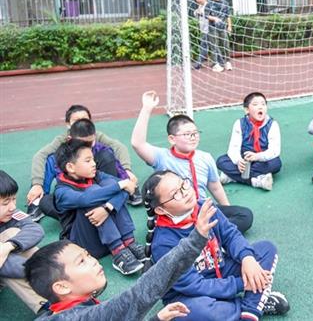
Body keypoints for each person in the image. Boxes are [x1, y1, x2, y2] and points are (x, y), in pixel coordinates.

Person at [24, 197, 221, 320]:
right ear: (62, 287)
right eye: (81, 261)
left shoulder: (76, 308)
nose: (93, 260)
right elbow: (139, 295)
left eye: (87, 255)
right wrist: (196, 239)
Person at [143, 170, 290, 320]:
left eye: (184, 184)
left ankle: (249, 311)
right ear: (160, 209)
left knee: (266, 249)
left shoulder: (204, 207)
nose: (185, 192)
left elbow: (230, 235)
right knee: (198, 311)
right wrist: (242, 284)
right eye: (176, 194)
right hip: (190, 295)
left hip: (221, 269)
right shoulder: (163, 244)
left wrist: (247, 258)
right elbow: (196, 286)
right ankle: (255, 302)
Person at [131, 90, 253, 233]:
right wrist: (146, 109)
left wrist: (226, 211)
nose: (193, 137)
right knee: (178, 230)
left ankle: (211, 233)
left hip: (201, 208)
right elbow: (137, 143)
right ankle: (209, 235)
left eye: (195, 133)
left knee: (245, 215)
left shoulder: (204, 157)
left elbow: (215, 187)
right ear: (172, 139)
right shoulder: (162, 157)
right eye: (187, 134)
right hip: (179, 212)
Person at [27, 104, 141, 222]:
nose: (81, 122)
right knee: (50, 161)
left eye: (85, 119)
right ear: (68, 125)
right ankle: (38, 197)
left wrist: (126, 171)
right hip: (75, 186)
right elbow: (40, 155)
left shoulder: (97, 141)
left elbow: (118, 147)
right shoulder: (63, 141)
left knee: (108, 157)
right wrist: (37, 184)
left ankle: (110, 197)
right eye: (76, 120)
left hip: (95, 184)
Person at [53, 139, 143, 275]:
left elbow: (128, 188)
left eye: (93, 159)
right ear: (70, 167)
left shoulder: (96, 175)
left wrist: (108, 207)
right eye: (88, 161)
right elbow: (86, 199)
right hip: (85, 244)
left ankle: (129, 242)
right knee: (93, 192)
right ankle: (118, 252)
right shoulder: (61, 191)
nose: (94, 164)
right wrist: (121, 185)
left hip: (106, 236)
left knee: (108, 184)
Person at [0, 170, 46, 314]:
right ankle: (50, 295)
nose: (13, 206)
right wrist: (42, 271)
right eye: (5, 202)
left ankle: (53, 299)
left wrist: (8, 246)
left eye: (14, 199)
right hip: (6, 267)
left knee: (14, 235)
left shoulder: (12, 214)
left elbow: (35, 229)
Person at [216, 92, 282, 192]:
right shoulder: (240, 123)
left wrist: (258, 156)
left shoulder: (273, 124)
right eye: (255, 105)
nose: (260, 107)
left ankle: (231, 177)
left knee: (276, 163)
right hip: (244, 159)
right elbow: (233, 148)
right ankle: (257, 181)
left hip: (262, 159)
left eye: (263, 104)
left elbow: (274, 150)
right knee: (221, 161)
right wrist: (238, 161)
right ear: (247, 109)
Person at [205, 0, 233, 72]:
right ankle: (215, 65)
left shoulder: (225, 3)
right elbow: (206, 15)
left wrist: (229, 26)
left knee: (226, 45)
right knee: (214, 46)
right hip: (213, 28)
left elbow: (228, 16)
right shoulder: (209, 4)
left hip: (223, 28)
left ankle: (227, 62)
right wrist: (214, 18)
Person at [193, 0, 210, 71]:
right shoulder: (200, 6)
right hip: (203, 30)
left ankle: (198, 64)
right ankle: (221, 62)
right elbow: (195, 14)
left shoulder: (208, 5)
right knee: (213, 47)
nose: (198, 0)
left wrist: (200, 13)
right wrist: (197, 12)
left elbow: (206, 15)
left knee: (204, 46)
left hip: (209, 30)